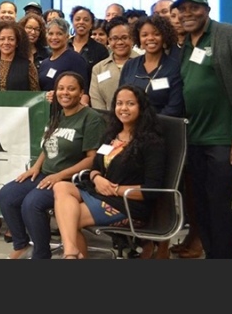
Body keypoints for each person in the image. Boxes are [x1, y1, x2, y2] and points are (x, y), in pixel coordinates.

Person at [173, 0, 232, 259]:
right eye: (182, 9)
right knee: (200, 206)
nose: (188, 14)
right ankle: (212, 254)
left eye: (194, 8)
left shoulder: (230, 35)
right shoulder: (186, 46)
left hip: (226, 140)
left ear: (207, 9)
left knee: (218, 205)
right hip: (195, 141)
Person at [0, 71, 106, 259]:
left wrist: (59, 176)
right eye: (61, 88)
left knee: (32, 204)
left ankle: (41, 254)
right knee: (7, 195)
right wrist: (36, 167)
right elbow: (47, 146)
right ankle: (21, 244)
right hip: (46, 174)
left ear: (81, 93)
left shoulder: (91, 118)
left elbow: (92, 159)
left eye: (71, 89)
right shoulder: (58, 114)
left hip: (70, 181)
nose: (65, 93)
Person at [53, 84, 166, 259]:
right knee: (61, 187)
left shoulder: (152, 143)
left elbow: (152, 189)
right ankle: (71, 252)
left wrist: (114, 189)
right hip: (101, 193)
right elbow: (96, 165)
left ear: (141, 107)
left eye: (130, 103)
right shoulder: (112, 134)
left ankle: (70, 254)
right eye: (119, 103)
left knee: (67, 219)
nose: (123, 108)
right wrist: (97, 178)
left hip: (127, 204)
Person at [0, 20, 40, 239]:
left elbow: (35, 96)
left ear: (18, 41)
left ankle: (13, 223)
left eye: (11, 39)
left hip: (18, 129)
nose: (6, 42)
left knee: (14, 174)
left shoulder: (27, 64)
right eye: (2, 38)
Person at [119, 14, 184, 117]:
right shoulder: (130, 65)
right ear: (138, 38)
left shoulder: (175, 67)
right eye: (144, 35)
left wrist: (150, 124)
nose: (150, 38)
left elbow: (175, 107)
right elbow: (121, 98)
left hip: (163, 126)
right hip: (131, 125)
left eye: (156, 34)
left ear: (164, 36)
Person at [89, 16, 139, 111]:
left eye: (124, 38)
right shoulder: (98, 68)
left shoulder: (143, 63)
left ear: (132, 39)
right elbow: (97, 102)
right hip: (106, 121)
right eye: (115, 38)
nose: (120, 42)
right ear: (109, 40)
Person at [38, 17, 90, 106]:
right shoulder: (44, 63)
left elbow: (84, 93)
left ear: (67, 36)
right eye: (51, 34)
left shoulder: (75, 59)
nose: (54, 37)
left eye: (59, 34)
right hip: (46, 113)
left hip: (67, 113)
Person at [67, 6, 110, 91]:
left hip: (91, 95)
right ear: (72, 22)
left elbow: (104, 78)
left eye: (86, 20)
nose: (81, 22)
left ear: (91, 24)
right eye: (77, 19)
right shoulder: (64, 46)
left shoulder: (100, 49)